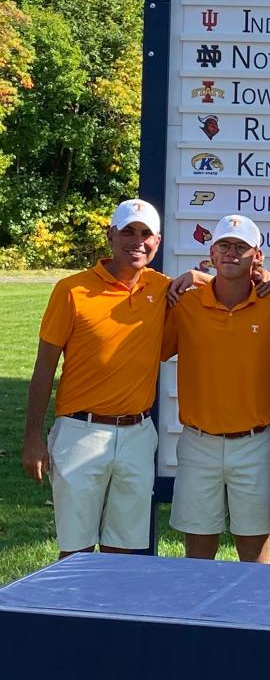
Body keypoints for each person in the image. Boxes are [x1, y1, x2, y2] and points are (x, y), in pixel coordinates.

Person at [21, 199, 169, 557]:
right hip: (80, 433)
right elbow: (44, 368)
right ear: (110, 235)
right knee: (75, 551)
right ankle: (72, 614)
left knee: (125, 551)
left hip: (137, 435)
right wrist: (32, 438)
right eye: (128, 232)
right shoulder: (71, 290)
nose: (137, 241)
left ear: (157, 242)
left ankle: (112, 614)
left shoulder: (162, 288)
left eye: (146, 234)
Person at [162, 214, 270, 563]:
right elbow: (158, 349)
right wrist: (195, 278)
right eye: (224, 245)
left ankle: (254, 617)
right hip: (198, 441)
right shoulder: (186, 303)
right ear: (212, 251)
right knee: (199, 547)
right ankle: (201, 617)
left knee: (253, 548)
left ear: (258, 255)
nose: (231, 253)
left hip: (255, 442)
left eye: (241, 247)